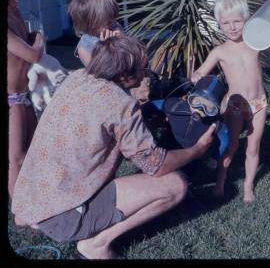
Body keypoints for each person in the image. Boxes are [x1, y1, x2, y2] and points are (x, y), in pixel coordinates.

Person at [11, 35, 216, 259]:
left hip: (33, 200)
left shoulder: (77, 78)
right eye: (142, 69)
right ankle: (96, 245)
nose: (146, 74)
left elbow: (101, 128)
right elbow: (156, 165)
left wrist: (143, 123)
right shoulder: (120, 105)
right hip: (63, 216)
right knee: (175, 185)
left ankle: (53, 219)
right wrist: (197, 149)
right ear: (123, 75)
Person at [191, 0, 267, 203]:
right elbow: (201, 72)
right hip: (235, 105)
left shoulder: (255, 44)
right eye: (226, 23)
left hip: (259, 103)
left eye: (237, 21)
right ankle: (220, 182)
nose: (232, 27)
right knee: (231, 146)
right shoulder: (219, 51)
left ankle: (248, 186)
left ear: (247, 19)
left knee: (253, 147)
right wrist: (196, 76)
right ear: (219, 24)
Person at [68, 0, 149, 103]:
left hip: (132, 79)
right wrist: (107, 49)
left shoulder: (114, 26)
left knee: (143, 96)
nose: (113, 21)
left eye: (113, 17)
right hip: (113, 93)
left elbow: (134, 58)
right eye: (108, 20)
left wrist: (121, 40)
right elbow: (101, 77)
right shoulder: (84, 48)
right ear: (90, 23)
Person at [7, 0, 44, 199]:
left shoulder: (15, 14)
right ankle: (19, 210)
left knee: (32, 148)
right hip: (11, 99)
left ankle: (33, 196)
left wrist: (35, 37)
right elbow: (32, 53)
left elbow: (28, 37)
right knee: (16, 158)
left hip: (25, 94)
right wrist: (39, 36)